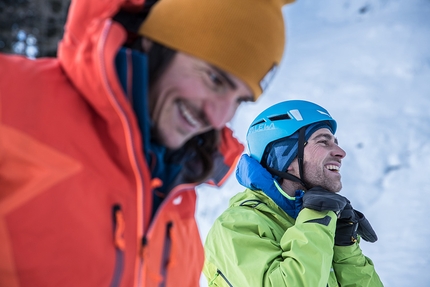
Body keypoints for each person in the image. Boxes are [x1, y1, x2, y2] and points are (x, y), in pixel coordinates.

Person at [0, 0, 296, 286]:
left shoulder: (179, 212)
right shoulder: (12, 105)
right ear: (156, 44)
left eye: (239, 100)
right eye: (214, 79)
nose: (218, 117)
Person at [203, 100, 383, 286]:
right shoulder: (235, 226)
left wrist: (345, 248)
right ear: (284, 156)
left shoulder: (324, 227)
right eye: (323, 141)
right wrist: (316, 218)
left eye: (336, 143)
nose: (341, 152)